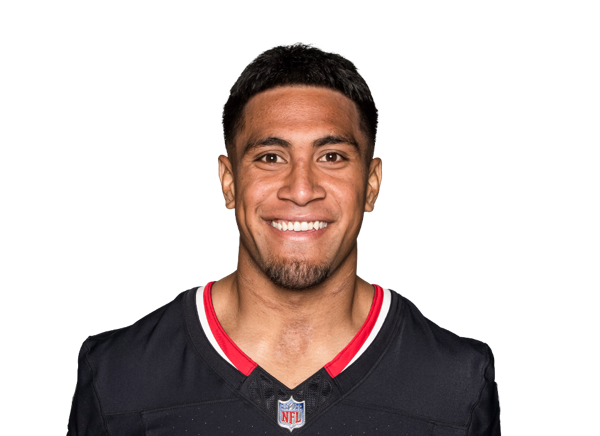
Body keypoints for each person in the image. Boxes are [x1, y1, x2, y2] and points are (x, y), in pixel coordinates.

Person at [67, 42, 501, 435]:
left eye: (331, 156)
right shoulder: (117, 375)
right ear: (228, 182)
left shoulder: (457, 383)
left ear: (372, 184)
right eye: (271, 157)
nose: (301, 189)